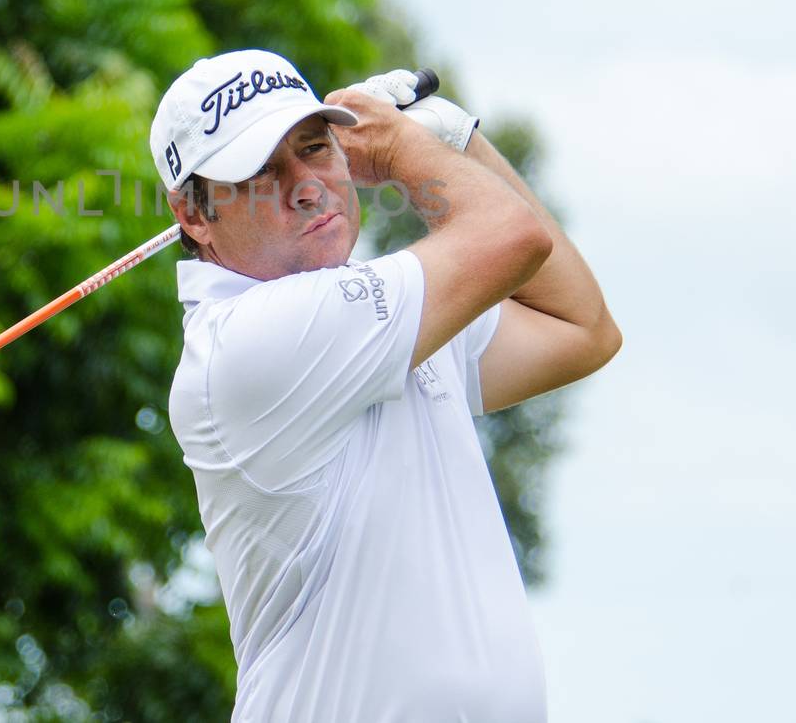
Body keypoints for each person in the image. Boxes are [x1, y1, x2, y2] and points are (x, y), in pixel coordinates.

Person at [150, 48, 621, 722]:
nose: (307, 185)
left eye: (316, 148)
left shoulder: (383, 319)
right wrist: (408, 146)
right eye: (259, 172)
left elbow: (582, 328)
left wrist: (459, 141)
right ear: (193, 216)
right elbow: (513, 237)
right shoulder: (249, 343)